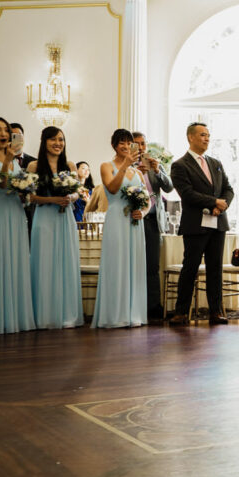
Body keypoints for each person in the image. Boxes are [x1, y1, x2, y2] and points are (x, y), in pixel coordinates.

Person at [169, 122, 234, 326]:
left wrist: (221, 207)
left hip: (217, 222)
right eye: (202, 135)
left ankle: (216, 312)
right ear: (190, 137)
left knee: (215, 268)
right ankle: (181, 313)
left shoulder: (216, 162)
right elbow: (187, 194)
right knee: (190, 267)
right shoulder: (180, 165)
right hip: (195, 224)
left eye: (208, 135)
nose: (206, 138)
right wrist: (213, 201)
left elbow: (228, 190)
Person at [27, 126, 83, 329]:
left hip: (65, 218)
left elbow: (78, 192)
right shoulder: (34, 166)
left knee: (65, 261)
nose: (58, 143)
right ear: (44, 142)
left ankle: (66, 313)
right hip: (44, 218)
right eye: (53, 139)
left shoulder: (69, 165)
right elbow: (29, 196)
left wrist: (70, 197)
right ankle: (45, 315)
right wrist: (53, 199)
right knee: (45, 262)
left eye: (61, 139)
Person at [91, 129, 147, 328]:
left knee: (134, 265)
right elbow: (112, 188)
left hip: (134, 222)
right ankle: (114, 315)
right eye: (121, 142)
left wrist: (143, 211)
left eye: (129, 142)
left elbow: (147, 200)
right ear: (114, 145)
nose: (125, 146)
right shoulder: (106, 166)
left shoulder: (139, 173)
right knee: (116, 263)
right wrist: (124, 165)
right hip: (116, 218)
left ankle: (133, 313)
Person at [0, 117, 35, 333]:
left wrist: (26, 192)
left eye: (5, 130)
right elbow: (2, 183)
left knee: (14, 260)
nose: (3, 134)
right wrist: (7, 161)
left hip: (15, 212)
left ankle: (15, 316)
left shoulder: (15, 161)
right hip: (1, 212)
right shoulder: (9, 160)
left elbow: (19, 186)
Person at [133, 132, 173, 321]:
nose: (141, 147)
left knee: (152, 265)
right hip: (133, 219)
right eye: (137, 144)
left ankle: (153, 305)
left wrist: (157, 171)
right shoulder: (127, 166)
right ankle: (134, 303)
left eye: (143, 144)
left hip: (153, 221)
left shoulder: (155, 164)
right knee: (134, 263)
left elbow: (169, 188)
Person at [10, 122, 36, 233]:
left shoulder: (34, 161)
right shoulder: (2, 161)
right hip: (9, 207)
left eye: (19, 136)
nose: (17, 139)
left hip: (31, 212)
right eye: (13, 136)